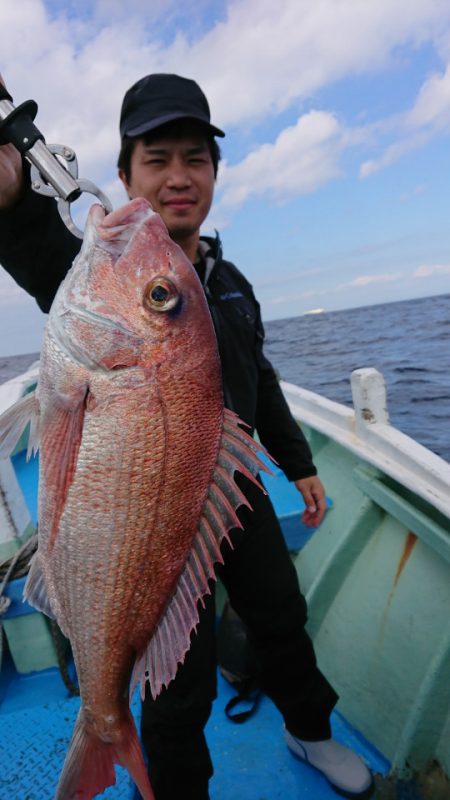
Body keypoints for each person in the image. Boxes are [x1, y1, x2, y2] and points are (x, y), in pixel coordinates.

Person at [0, 73, 374, 800]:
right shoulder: (98, 268)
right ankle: (165, 782)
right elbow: (39, 247)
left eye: (195, 157)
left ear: (214, 172)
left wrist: (297, 465)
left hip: (233, 499)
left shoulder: (230, 283)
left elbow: (259, 381)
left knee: (281, 615)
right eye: (157, 157)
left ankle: (311, 729)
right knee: (178, 685)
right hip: (152, 521)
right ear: (123, 175)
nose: (178, 175)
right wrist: (14, 202)